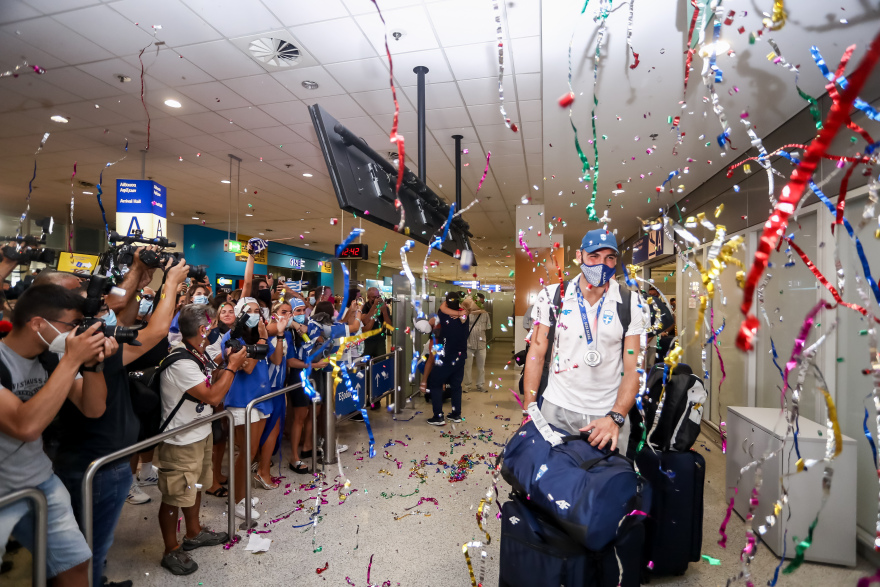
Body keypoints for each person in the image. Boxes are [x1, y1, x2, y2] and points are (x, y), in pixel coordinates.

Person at [46, 256, 190, 587]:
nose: (87, 298)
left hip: (110, 458)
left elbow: (124, 312)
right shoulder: (65, 350)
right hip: (94, 462)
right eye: (77, 293)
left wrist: (139, 274)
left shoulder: (93, 343)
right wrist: (169, 284)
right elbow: (154, 332)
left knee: (94, 544)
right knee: (84, 550)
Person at [0, 284, 110, 586]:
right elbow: (25, 425)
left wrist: (92, 364)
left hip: (40, 481)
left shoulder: (52, 359)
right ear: (37, 323)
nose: (77, 333)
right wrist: (74, 359)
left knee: (75, 564)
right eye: (72, 325)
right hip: (3, 492)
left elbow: (93, 407)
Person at [523, 229, 645, 452]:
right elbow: (536, 354)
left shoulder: (631, 302)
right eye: (594, 256)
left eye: (610, 258)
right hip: (556, 407)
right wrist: (529, 409)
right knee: (554, 481)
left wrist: (616, 417)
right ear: (579, 256)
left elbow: (634, 368)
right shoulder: (551, 296)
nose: (602, 264)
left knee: (606, 482)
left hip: (606, 413)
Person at [155, 304, 245, 576]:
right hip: (181, 440)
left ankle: (193, 533)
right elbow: (213, 397)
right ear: (203, 328)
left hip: (201, 432)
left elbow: (210, 382)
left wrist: (222, 365)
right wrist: (232, 366)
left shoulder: (198, 354)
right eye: (211, 323)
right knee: (174, 495)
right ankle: (170, 549)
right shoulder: (181, 361)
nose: (215, 326)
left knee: (194, 487)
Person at [219, 296, 287, 519]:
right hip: (241, 402)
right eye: (250, 310)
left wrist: (275, 337)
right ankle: (235, 501)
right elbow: (246, 368)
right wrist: (263, 342)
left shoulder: (260, 336)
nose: (256, 314)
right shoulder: (232, 338)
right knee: (245, 453)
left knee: (252, 452)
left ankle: (243, 494)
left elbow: (275, 360)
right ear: (241, 314)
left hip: (261, 398)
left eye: (259, 310)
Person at [284, 299, 328, 473]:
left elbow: (323, 339)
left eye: (304, 310)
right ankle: (294, 456)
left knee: (314, 412)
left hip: (314, 376)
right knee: (300, 417)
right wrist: (314, 365)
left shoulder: (310, 327)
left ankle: (308, 446)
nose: (302, 313)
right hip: (299, 377)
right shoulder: (288, 334)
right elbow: (291, 361)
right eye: (298, 311)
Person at [426, 291, 470, 426]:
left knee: (435, 383)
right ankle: (456, 414)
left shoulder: (441, 315)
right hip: (460, 356)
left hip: (445, 356)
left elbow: (429, 324)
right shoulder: (464, 316)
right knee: (456, 385)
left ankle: (438, 416)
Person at [462, 296, 491, 392]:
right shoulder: (467, 314)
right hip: (468, 344)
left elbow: (487, 327)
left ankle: (480, 384)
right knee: (467, 366)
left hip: (481, 344)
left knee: (481, 367)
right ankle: (467, 385)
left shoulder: (485, 314)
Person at [647, 286, 675, 363]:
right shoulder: (646, 307)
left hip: (656, 343)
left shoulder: (663, 307)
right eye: (650, 294)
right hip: (647, 341)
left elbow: (672, 321)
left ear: (658, 295)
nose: (652, 297)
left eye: (654, 294)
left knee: (652, 364)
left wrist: (665, 331)